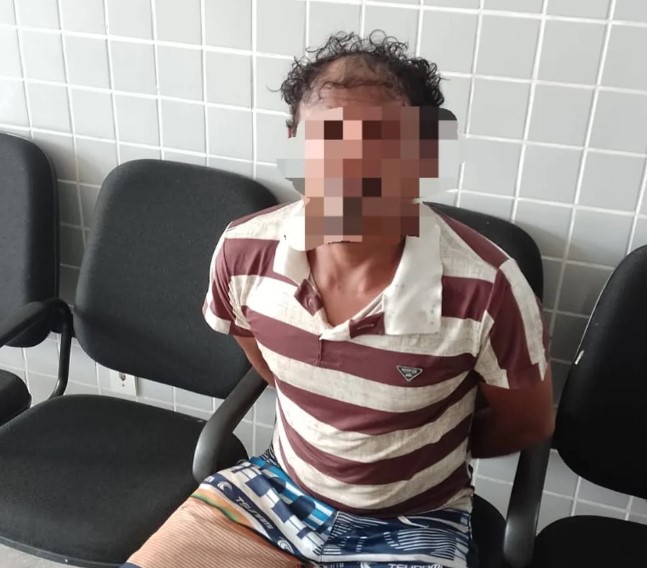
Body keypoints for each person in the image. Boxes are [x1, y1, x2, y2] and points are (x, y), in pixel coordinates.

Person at [123, 31, 554, 568]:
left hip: (416, 519)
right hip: (273, 494)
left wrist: (412, 455)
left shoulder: (488, 289)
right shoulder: (242, 252)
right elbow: (268, 362)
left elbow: (527, 424)